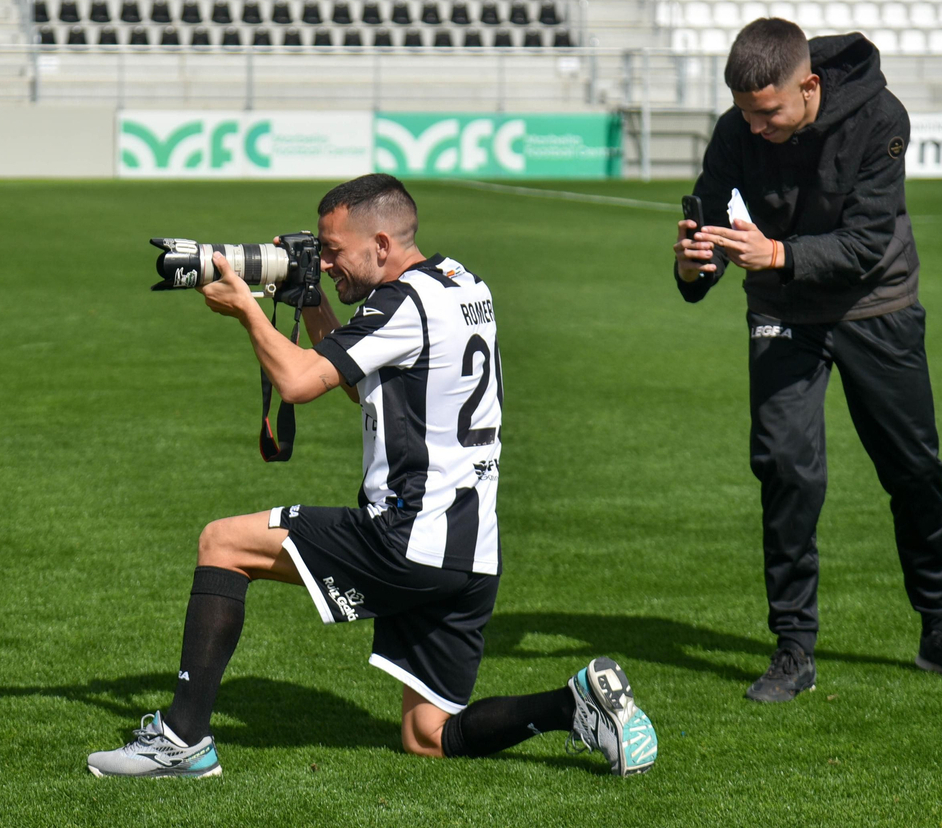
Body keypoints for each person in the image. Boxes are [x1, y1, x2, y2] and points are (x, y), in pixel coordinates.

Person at [89, 173, 658, 778]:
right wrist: (308, 293)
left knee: (222, 543)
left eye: (334, 250)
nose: (328, 262)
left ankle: (181, 740)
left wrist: (248, 310)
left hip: (405, 538)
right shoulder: (463, 284)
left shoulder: (399, 303)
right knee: (428, 736)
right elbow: (357, 374)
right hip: (471, 555)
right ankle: (575, 706)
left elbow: (300, 383)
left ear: (381, 245)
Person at [674, 19, 942, 702]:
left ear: (810, 85)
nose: (756, 128)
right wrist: (692, 266)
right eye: (746, 114)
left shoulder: (880, 117)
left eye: (770, 113)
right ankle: (793, 649)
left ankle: (940, 628)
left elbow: (865, 242)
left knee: (913, 469)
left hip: (876, 304)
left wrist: (780, 254)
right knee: (786, 468)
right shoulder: (739, 127)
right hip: (782, 313)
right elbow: (705, 227)